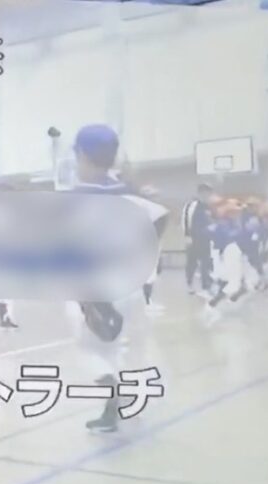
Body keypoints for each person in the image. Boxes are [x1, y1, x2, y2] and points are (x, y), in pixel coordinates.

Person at [68, 124, 167, 433]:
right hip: (132, 286)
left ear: (83, 155)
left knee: (90, 352)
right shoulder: (131, 193)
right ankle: (131, 404)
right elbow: (159, 222)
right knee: (131, 349)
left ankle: (113, 402)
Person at [182, 183, 215, 296]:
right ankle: (190, 284)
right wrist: (187, 236)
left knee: (206, 262)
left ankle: (206, 286)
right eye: (205, 192)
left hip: (206, 239)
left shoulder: (208, 207)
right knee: (192, 262)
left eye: (209, 193)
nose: (207, 195)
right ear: (200, 192)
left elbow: (211, 221)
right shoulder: (192, 205)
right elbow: (186, 220)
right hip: (194, 239)